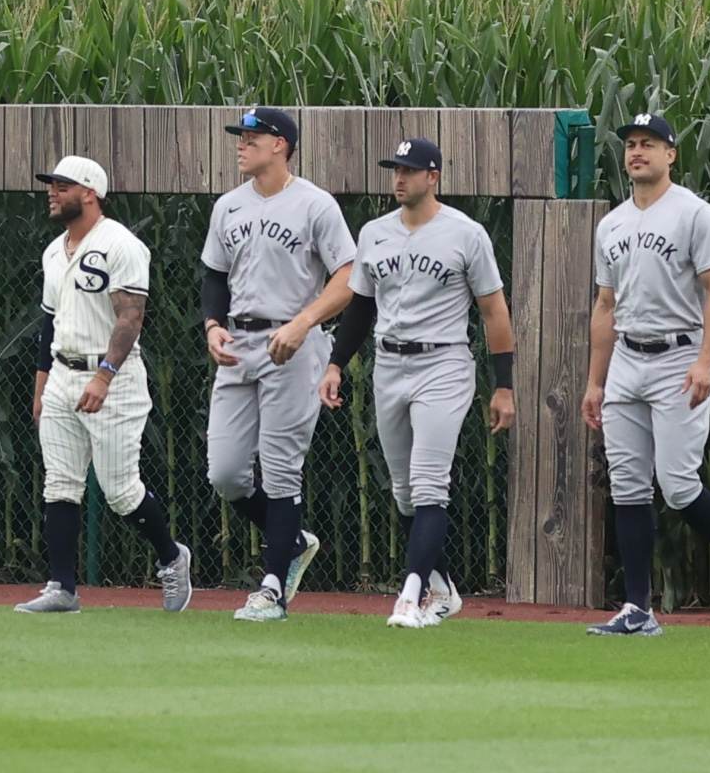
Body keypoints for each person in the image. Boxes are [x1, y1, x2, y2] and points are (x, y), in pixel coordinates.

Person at [283, 134, 509, 629]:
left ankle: (411, 596)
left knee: (430, 485)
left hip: (443, 364)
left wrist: (504, 384)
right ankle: (442, 587)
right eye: (395, 170)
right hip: (388, 365)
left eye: (409, 170)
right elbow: (361, 305)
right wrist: (336, 363)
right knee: (405, 492)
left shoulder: (465, 234)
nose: (399, 178)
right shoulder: (375, 232)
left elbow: (493, 310)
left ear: (434, 176)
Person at [583, 111, 710, 635]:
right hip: (627, 360)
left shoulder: (694, 214)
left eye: (649, 143)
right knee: (628, 487)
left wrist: (707, 359)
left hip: (678, 358)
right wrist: (596, 380)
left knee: (679, 485)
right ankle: (639, 609)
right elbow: (604, 306)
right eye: (631, 144)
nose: (637, 151)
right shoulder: (611, 223)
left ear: (671, 154)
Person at [15, 153, 194, 615]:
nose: (51, 193)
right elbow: (48, 323)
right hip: (62, 373)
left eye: (62, 185)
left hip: (112, 377)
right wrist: (41, 384)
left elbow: (130, 317)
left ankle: (172, 557)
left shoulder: (120, 244)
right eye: (50, 185)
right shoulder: (54, 250)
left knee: (119, 491)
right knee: (60, 483)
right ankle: (62, 587)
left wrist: (104, 375)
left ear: (89, 193)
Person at [200, 106, 357, 622]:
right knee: (224, 473)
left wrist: (304, 322)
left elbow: (347, 278)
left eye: (252, 136)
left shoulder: (315, 205)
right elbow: (215, 277)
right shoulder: (229, 206)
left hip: (292, 344)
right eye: (240, 136)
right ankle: (289, 540)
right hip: (238, 344)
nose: (241, 143)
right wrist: (212, 326)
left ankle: (272, 590)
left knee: (281, 469)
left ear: (281, 145)